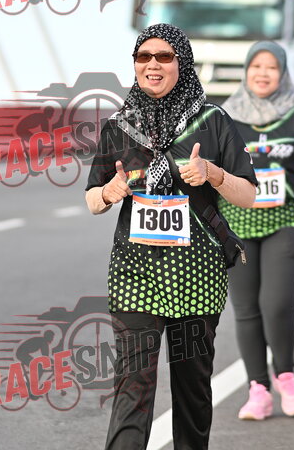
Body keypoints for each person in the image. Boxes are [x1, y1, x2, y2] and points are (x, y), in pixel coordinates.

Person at [85, 23, 257, 450]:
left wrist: (213, 174)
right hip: (135, 274)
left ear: (183, 63)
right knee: (132, 387)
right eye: (143, 57)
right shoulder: (119, 126)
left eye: (164, 56)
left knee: (192, 389)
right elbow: (92, 199)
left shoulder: (213, 121)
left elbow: (249, 195)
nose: (153, 65)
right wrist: (109, 192)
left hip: (197, 275)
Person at [220, 41, 294, 420]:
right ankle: (258, 390)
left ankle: (286, 377)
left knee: (276, 304)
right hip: (236, 222)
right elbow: (204, 167)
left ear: (283, 72)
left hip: (285, 220)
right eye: (256, 65)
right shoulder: (224, 116)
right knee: (246, 309)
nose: (263, 73)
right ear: (246, 70)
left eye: (272, 67)